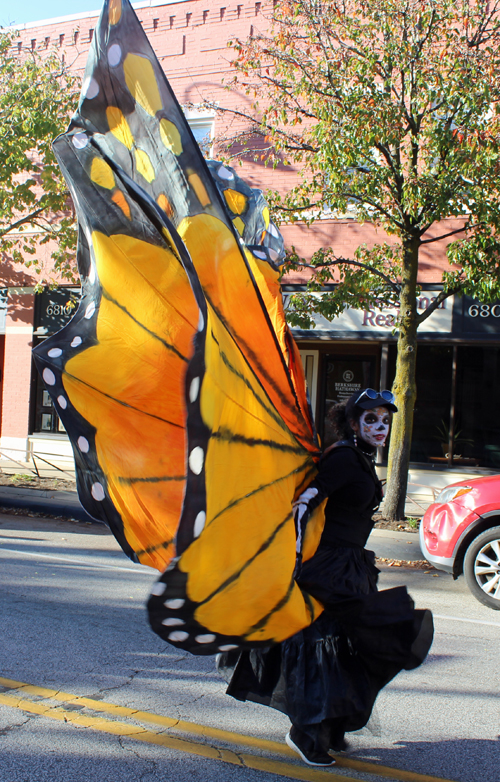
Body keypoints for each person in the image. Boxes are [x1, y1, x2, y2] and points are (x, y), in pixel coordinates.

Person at [217, 388, 433, 767]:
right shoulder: (346, 458)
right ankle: (305, 733)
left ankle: (328, 728)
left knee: (345, 649)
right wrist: (298, 560)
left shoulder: (361, 458)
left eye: (385, 421)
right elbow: (305, 501)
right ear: (352, 423)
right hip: (330, 567)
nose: (380, 427)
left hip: (350, 565)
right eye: (371, 419)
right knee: (323, 649)